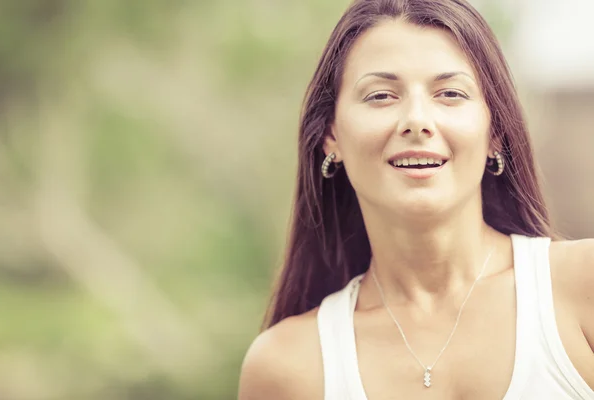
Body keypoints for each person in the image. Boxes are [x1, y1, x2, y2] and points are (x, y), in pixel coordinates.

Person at [238, 0, 594, 398]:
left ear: (495, 132)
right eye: (380, 96)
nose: (417, 121)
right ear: (331, 136)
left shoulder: (581, 288)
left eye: (450, 93)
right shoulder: (287, 367)